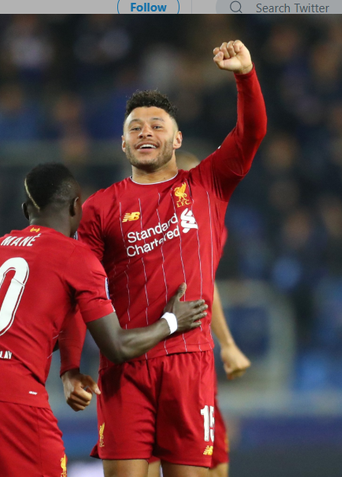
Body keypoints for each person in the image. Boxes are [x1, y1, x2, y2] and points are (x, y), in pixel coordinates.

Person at [60, 40, 266, 477]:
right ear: (122, 143)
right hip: (124, 368)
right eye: (135, 128)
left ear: (177, 138)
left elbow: (251, 134)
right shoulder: (99, 208)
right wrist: (71, 366)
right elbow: (83, 292)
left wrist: (245, 76)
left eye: (157, 125)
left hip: (189, 363)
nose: (146, 133)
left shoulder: (207, 185)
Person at [0, 163, 208, 477]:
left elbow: (36, 325)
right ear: (77, 206)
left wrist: (69, 369)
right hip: (12, 403)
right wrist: (172, 322)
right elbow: (117, 346)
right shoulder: (76, 256)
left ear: (26, 209)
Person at [145, 152, 252, 477]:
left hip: (196, 359)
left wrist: (228, 343)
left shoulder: (211, 225)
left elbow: (206, 284)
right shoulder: (152, 228)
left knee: (216, 466)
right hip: (152, 359)